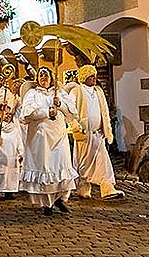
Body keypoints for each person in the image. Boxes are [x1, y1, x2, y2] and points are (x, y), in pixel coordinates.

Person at [20, 66, 78, 215]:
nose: (43, 78)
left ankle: (58, 198)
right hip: (41, 139)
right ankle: (47, 203)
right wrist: (46, 112)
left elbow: (72, 112)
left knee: (59, 165)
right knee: (45, 166)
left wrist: (61, 104)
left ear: (51, 77)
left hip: (58, 137)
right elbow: (27, 113)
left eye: (46, 75)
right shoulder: (32, 94)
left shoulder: (58, 92)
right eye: (41, 75)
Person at [68, 64, 124, 200]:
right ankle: (83, 187)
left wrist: (106, 128)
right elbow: (70, 111)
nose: (94, 78)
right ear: (84, 77)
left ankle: (107, 188)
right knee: (83, 163)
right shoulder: (77, 91)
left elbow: (103, 110)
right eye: (91, 75)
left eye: (95, 75)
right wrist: (75, 125)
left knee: (103, 161)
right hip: (84, 134)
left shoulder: (98, 91)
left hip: (98, 134)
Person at [0, 106, 23, 197]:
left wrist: (21, 152)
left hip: (12, 155)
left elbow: (19, 141)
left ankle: (10, 191)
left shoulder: (15, 129)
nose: (8, 116)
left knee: (11, 174)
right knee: (0, 172)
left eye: (10, 114)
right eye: (6, 114)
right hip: (1, 155)